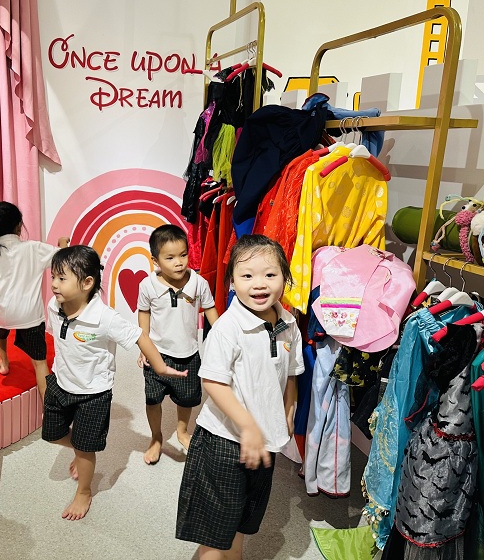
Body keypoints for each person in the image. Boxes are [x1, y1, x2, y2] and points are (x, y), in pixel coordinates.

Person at [176, 235, 303, 559]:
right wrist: (247, 426)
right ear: (232, 281)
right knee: (214, 532)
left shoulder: (289, 324)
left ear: (285, 278)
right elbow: (212, 381)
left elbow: (291, 372)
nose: (259, 283)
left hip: (264, 441)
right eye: (247, 275)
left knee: (241, 521)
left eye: (270, 274)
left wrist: (289, 408)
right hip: (223, 440)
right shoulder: (227, 328)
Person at [43, 245, 187, 521]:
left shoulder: (105, 318)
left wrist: (159, 366)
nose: (54, 285)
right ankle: (79, 447)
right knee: (52, 434)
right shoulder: (54, 306)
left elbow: (139, 336)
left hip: (93, 393)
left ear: (87, 283)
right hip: (60, 383)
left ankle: (84, 491)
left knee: (86, 450)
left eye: (61, 278)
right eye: (53, 277)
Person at [137, 224, 219, 464]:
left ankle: (182, 431)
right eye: (170, 258)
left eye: (183, 255)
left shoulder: (198, 283)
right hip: (157, 354)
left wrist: (222, 336)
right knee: (153, 399)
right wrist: (144, 346)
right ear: (155, 260)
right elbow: (144, 313)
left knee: (187, 398)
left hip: (189, 354)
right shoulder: (147, 285)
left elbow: (210, 309)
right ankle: (156, 437)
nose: (179, 262)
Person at [0, 201, 69, 398]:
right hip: (29, 315)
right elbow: (64, 258)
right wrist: (63, 243)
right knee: (40, 363)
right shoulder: (33, 248)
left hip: (2, 313)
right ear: (19, 226)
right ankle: (48, 409)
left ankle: (4, 363)